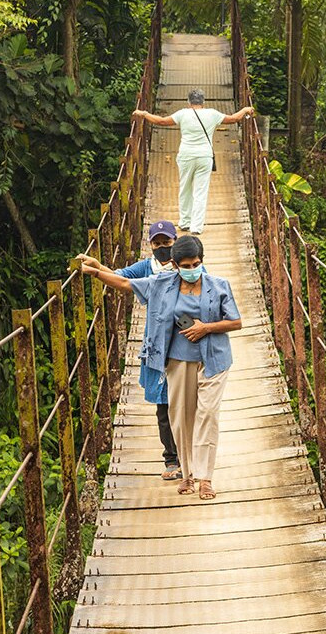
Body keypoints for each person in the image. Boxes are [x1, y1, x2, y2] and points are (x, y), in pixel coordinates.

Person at [80, 235, 241, 500]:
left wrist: (206, 328)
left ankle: (205, 478)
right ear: (175, 265)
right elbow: (125, 283)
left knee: (207, 415)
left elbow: (235, 322)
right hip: (179, 360)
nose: (192, 270)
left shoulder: (219, 285)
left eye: (196, 264)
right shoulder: (162, 284)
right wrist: (96, 272)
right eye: (186, 266)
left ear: (202, 261)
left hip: (214, 359)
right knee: (181, 417)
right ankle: (187, 474)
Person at [77, 220, 182, 480]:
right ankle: (171, 459)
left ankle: (189, 457)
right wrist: (97, 266)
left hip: (182, 342)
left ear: (175, 242)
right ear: (150, 245)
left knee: (185, 404)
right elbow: (122, 279)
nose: (162, 247)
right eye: (157, 243)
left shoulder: (186, 264)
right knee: (163, 405)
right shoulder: (147, 268)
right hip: (157, 343)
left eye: (166, 242)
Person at [132, 89, 253, 235]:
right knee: (200, 192)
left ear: (188, 102)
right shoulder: (212, 114)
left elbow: (161, 121)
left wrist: (144, 114)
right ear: (203, 102)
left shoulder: (183, 114)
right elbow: (233, 119)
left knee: (185, 188)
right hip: (204, 157)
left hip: (186, 156)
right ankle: (196, 227)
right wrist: (245, 110)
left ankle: (185, 222)